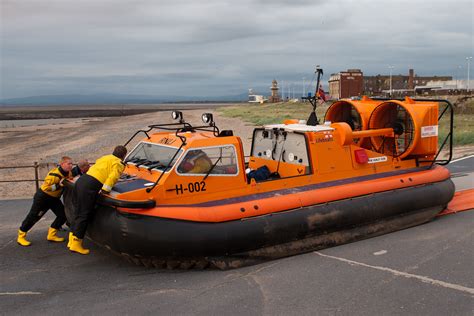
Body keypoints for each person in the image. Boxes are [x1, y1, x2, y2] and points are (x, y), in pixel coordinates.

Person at [68, 145, 127, 255]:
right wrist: (105, 190)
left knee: (78, 211)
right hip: (90, 186)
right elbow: (113, 177)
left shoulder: (105, 157)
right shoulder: (119, 163)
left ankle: (71, 240)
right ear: (124, 156)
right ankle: (76, 244)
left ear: (113, 151)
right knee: (84, 214)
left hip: (81, 182)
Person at [17, 156, 73, 246]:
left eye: (71, 164)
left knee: (63, 215)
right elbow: (46, 188)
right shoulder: (53, 175)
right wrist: (59, 185)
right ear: (62, 164)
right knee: (33, 216)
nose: (71, 165)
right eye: (68, 164)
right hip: (43, 197)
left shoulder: (68, 173)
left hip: (54, 199)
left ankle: (51, 235)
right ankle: (21, 236)